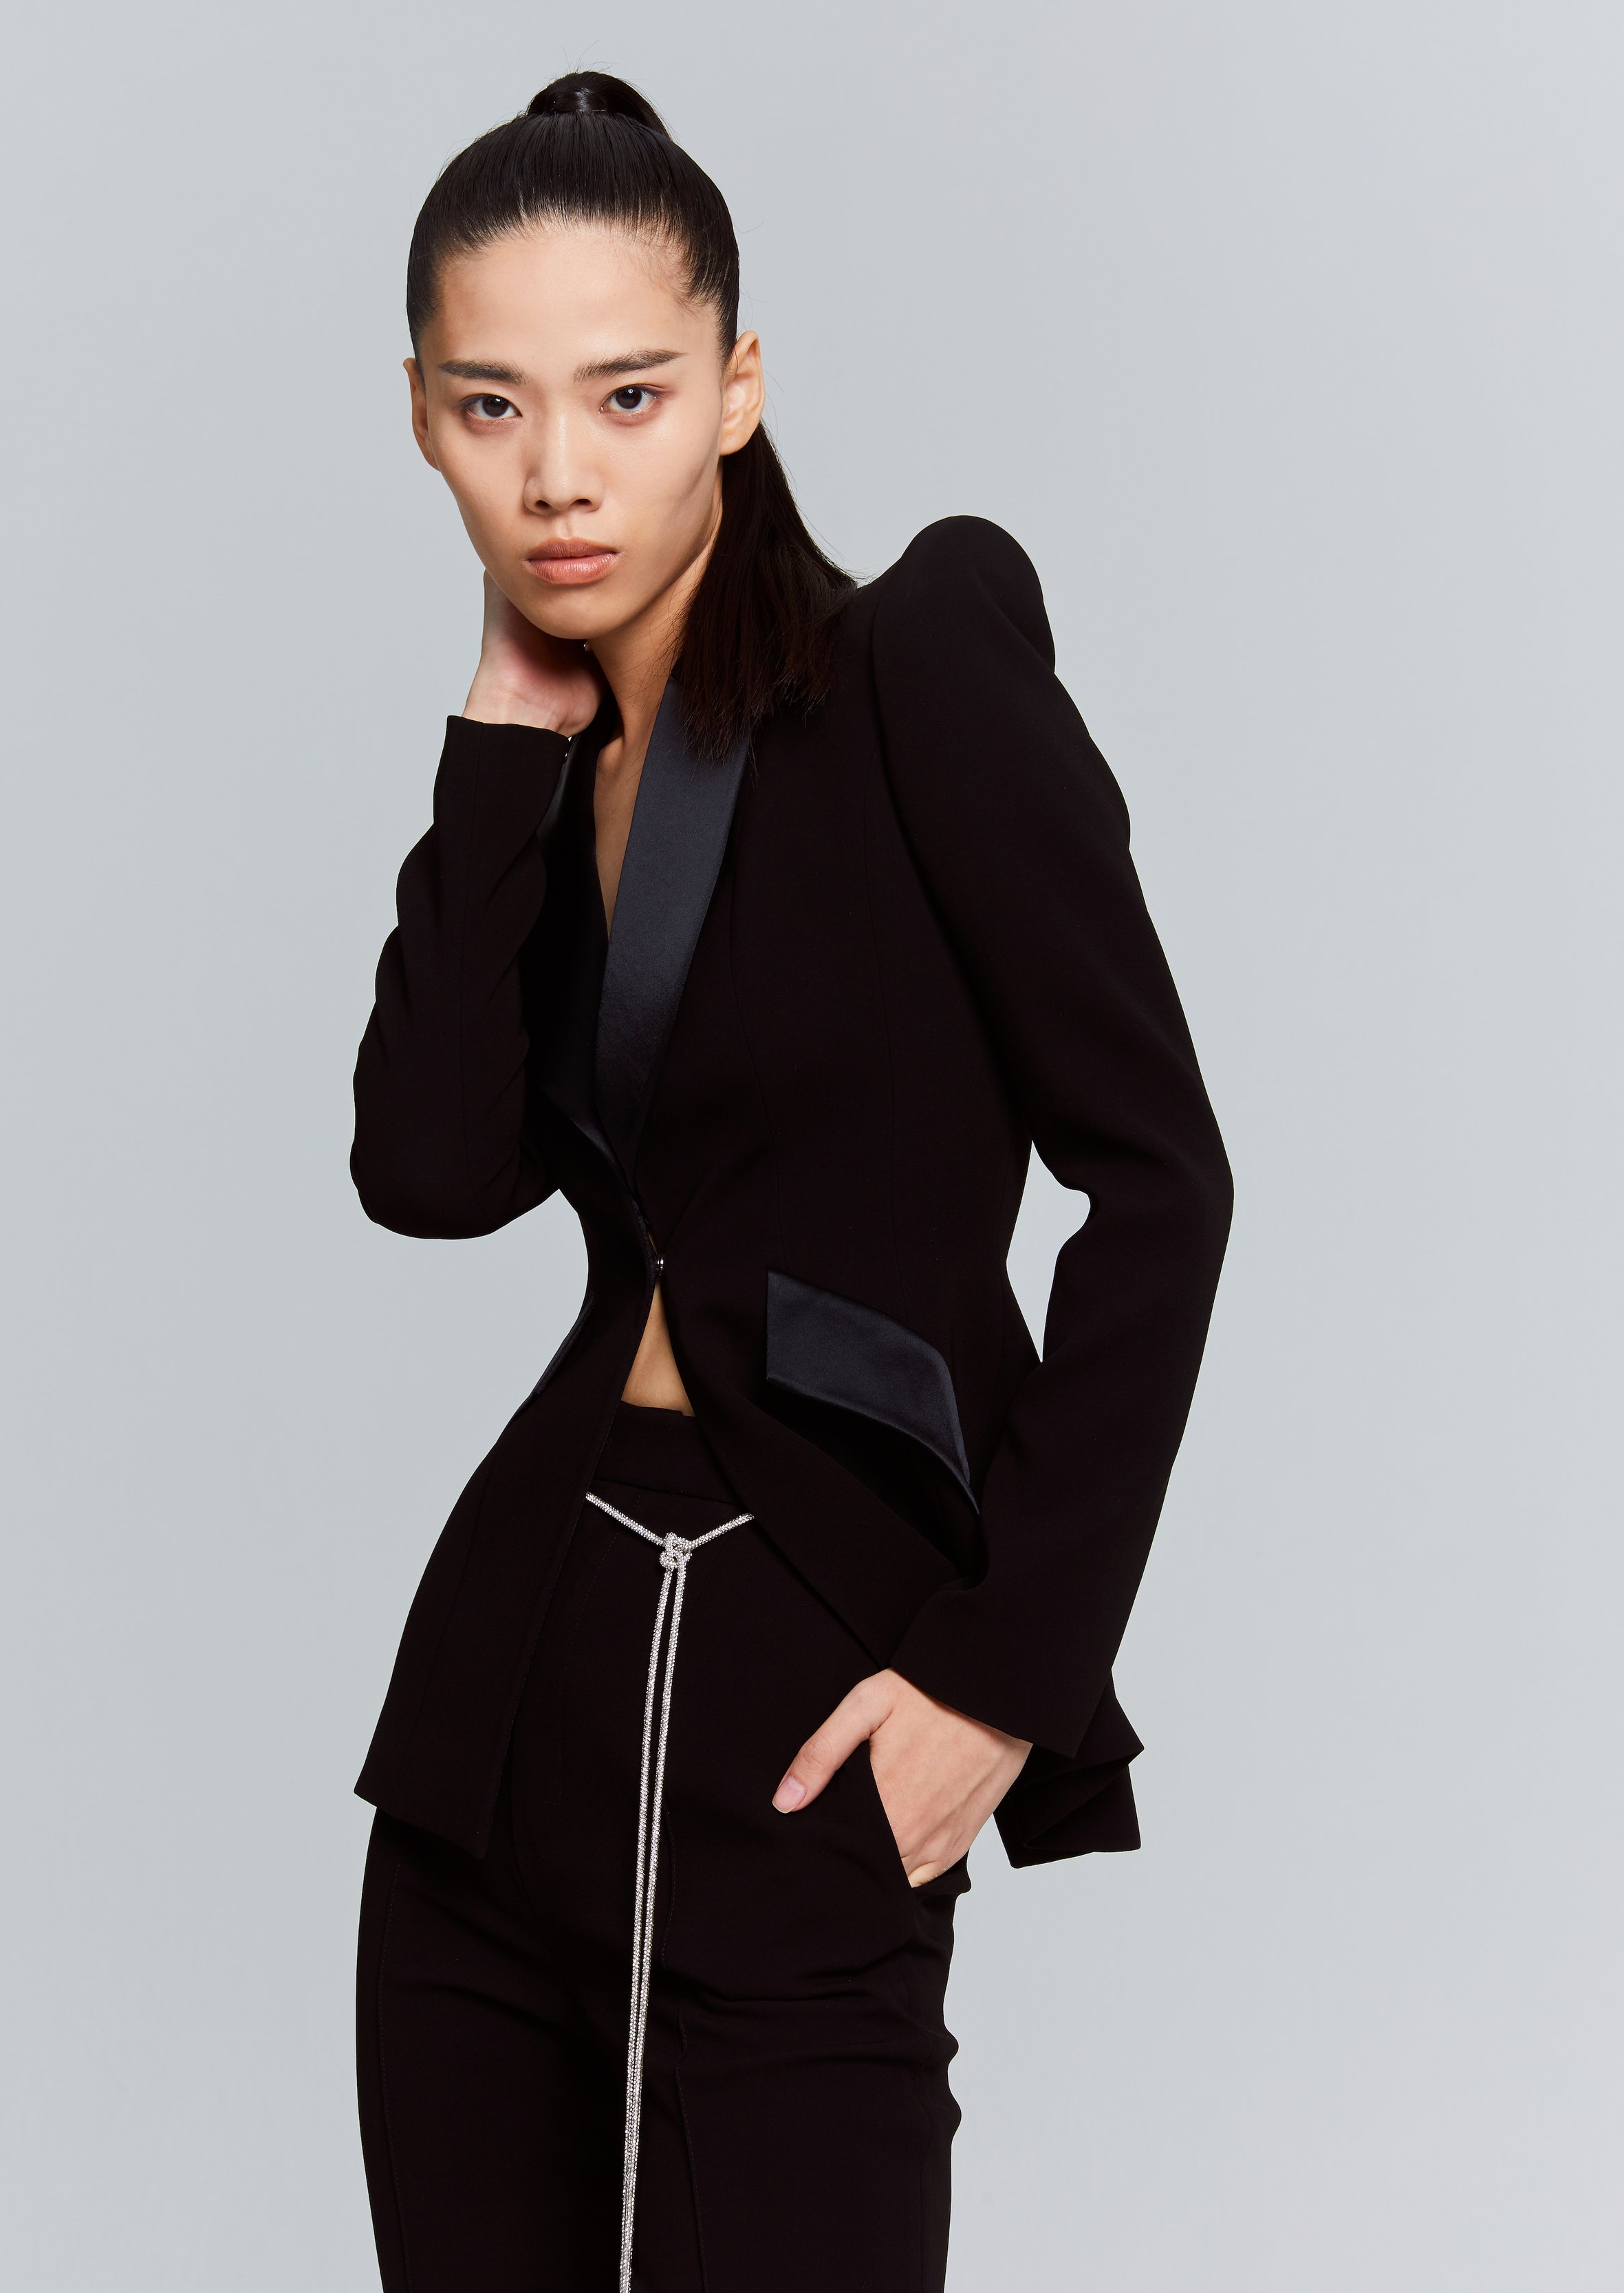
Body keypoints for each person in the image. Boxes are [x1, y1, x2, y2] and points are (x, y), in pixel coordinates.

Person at [349, 69, 1231, 2293]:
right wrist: (495, 751)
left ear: (736, 389)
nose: (557, 472)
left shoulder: (911, 663)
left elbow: (1161, 1178)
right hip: (501, 1718)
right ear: (422, 417)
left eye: (627, 393)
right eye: (491, 406)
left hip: (795, 1697)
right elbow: (428, 1175)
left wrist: (1006, 1675)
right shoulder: (551, 770)